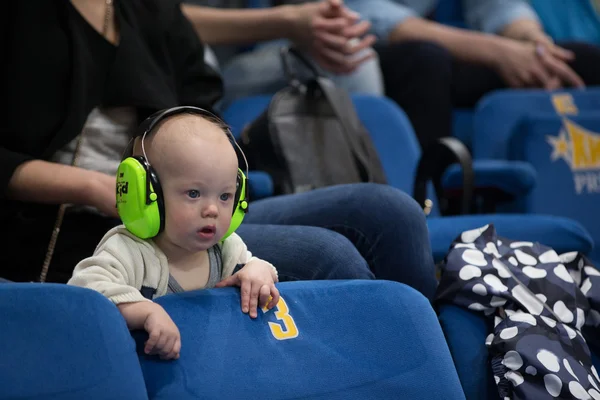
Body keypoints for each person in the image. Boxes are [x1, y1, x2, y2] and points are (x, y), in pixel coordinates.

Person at [2, 1, 437, 300]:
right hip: (87, 226)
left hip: (187, 202)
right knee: (329, 255)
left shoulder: (145, 9)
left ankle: (433, 372)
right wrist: (101, 188)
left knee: (391, 212)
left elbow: (200, 98)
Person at [69, 109, 280, 360]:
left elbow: (251, 266)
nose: (212, 209)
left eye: (225, 196)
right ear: (145, 193)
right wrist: (142, 311)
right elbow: (85, 289)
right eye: (193, 193)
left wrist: (259, 271)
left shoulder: (226, 248)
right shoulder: (128, 250)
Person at [340, 0, 600, 148]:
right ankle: (429, 206)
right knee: (424, 62)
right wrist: (498, 52)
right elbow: (372, 17)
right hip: (361, 53)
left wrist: (535, 45)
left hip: (447, 50)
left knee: (579, 60)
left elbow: (500, 9)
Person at [181, 0, 384, 108]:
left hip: (243, 64)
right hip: (187, 72)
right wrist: (287, 21)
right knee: (197, 54)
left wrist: (325, 23)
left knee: (353, 56)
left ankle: (365, 174)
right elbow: (159, 20)